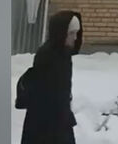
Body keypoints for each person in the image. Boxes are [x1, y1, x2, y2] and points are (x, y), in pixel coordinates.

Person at [16, 10, 83, 144]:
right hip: (45, 125)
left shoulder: (64, 54)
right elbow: (42, 95)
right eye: (71, 33)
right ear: (60, 33)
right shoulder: (46, 55)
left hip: (60, 120)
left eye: (77, 33)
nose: (75, 38)